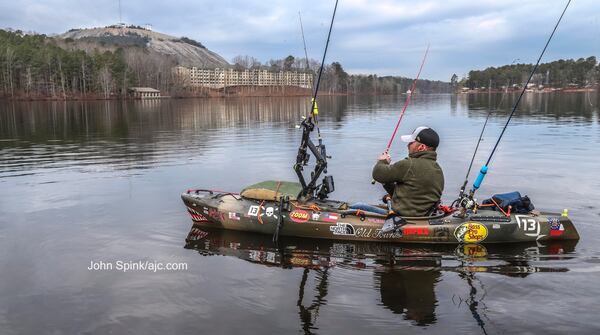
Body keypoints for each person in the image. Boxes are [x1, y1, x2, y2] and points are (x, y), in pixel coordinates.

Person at [351, 126, 444, 217]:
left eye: (411, 143)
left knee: (357, 206)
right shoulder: (438, 170)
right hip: (419, 217)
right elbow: (409, 194)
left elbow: (378, 173)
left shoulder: (409, 164)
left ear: (421, 147)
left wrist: (382, 161)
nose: (408, 145)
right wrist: (387, 181)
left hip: (401, 218)